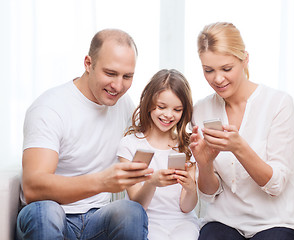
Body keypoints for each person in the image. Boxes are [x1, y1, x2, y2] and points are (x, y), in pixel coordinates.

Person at [16, 29, 154, 240]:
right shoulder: (50, 107)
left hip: (97, 218)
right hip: (52, 215)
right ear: (88, 63)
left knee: (131, 212)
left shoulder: (123, 104)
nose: (118, 86)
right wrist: (101, 182)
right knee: (44, 212)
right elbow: (34, 187)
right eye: (110, 73)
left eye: (127, 76)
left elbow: (156, 136)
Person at [189, 22, 294, 240]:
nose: (218, 79)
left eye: (226, 68)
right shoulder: (201, 110)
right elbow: (209, 193)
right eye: (208, 70)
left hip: (275, 222)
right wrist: (204, 164)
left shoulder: (279, 104)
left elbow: (276, 185)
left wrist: (238, 147)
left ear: (245, 59)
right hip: (224, 221)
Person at [117, 69, 199, 240]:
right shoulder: (130, 144)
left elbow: (186, 207)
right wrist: (152, 183)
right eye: (162, 107)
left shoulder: (188, 146)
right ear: (148, 104)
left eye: (177, 109)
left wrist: (191, 188)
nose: (168, 115)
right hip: (147, 222)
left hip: (183, 223)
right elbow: (137, 206)